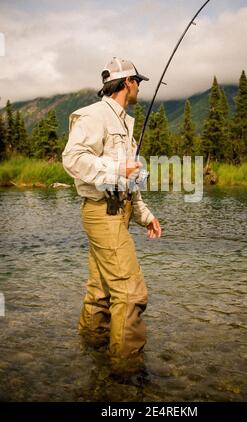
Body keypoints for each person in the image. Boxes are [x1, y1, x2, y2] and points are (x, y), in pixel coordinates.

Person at [62, 57, 161, 362]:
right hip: (102, 213)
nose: (140, 88)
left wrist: (144, 214)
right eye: (138, 82)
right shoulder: (93, 115)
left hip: (119, 211)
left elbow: (128, 178)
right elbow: (73, 159)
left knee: (101, 290)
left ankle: (91, 350)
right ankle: (126, 372)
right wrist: (118, 168)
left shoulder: (123, 121)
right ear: (127, 83)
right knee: (130, 293)